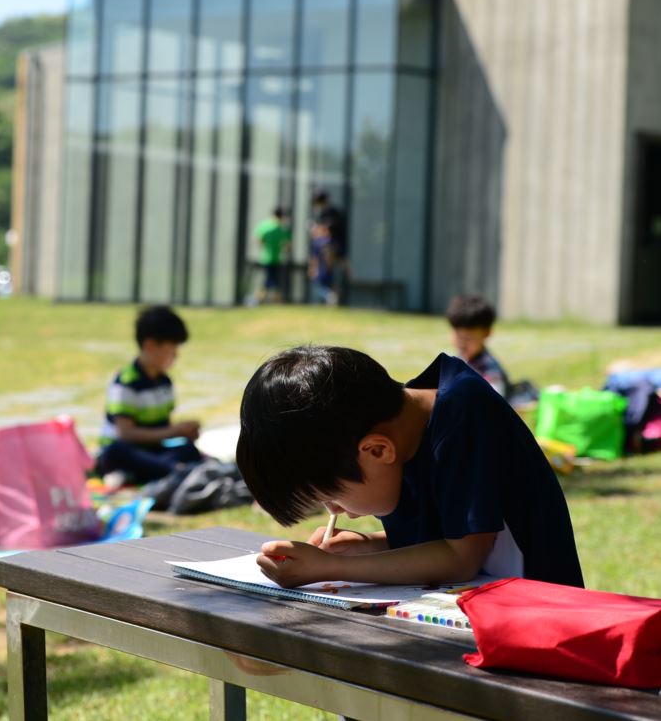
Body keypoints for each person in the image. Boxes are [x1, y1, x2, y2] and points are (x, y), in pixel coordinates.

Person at [235, 346, 583, 589]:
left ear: (376, 450)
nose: (338, 511)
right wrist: (367, 545)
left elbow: (461, 557)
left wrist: (333, 567)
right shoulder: (398, 430)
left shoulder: (464, 414)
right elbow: (446, 535)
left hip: (538, 623)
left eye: (333, 497)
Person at [95, 306, 202, 486]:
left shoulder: (165, 383)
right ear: (150, 345)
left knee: (188, 449)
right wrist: (174, 431)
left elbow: (163, 430)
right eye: (172, 348)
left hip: (152, 451)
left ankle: (170, 469)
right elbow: (125, 434)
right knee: (117, 452)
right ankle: (172, 470)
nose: (175, 355)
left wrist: (184, 432)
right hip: (126, 450)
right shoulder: (127, 382)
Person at [446, 295, 509, 398]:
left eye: (468, 338)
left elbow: (493, 404)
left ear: (486, 333)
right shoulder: (454, 360)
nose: (462, 343)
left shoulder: (491, 371)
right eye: (458, 335)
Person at [311, 190, 347, 302]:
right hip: (332, 246)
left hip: (331, 246)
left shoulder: (329, 212)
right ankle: (331, 295)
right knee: (327, 274)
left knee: (327, 272)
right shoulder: (329, 212)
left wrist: (317, 229)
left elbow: (327, 228)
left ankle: (330, 294)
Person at [254, 207, 291, 304]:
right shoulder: (282, 228)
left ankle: (263, 298)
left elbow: (259, 240)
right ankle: (268, 298)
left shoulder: (264, 226)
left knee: (270, 278)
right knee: (272, 279)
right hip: (277, 258)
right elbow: (288, 245)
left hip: (265, 257)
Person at [308, 221, 337, 306]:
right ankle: (329, 299)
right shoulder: (330, 241)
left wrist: (312, 268)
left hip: (321, 268)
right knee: (327, 286)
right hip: (329, 268)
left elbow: (315, 258)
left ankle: (329, 295)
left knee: (318, 288)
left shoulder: (317, 242)